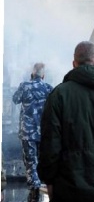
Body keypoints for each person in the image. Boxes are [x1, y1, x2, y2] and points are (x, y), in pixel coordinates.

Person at [37, 41, 94, 202]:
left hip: (65, 189)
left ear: (74, 64)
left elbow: (49, 144)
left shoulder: (59, 95)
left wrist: (49, 181)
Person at [12, 62, 53, 202]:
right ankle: (42, 185)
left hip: (27, 131)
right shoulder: (48, 88)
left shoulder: (24, 86)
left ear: (32, 73)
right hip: (44, 132)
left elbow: (15, 99)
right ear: (43, 75)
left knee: (30, 161)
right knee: (42, 160)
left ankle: (34, 189)